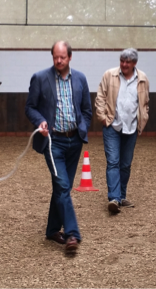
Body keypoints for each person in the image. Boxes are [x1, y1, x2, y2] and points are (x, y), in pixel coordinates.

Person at [25, 41, 92, 251]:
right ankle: (72, 234)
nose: (59, 61)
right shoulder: (40, 78)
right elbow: (30, 107)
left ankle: (52, 229)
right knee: (63, 186)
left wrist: (83, 128)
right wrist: (39, 121)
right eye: (55, 57)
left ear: (70, 57)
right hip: (53, 141)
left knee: (62, 187)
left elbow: (87, 110)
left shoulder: (80, 78)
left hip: (75, 141)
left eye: (62, 57)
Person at [95, 48, 150, 214]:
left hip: (131, 127)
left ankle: (121, 195)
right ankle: (114, 198)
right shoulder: (109, 75)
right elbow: (100, 97)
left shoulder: (143, 79)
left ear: (134, 63)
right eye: (122, 61)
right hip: (112, 125)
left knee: (125, 165)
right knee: (113, 162)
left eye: (128, 62)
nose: (124, 64)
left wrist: (143, 119)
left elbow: (145, 102)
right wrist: (103, 118)